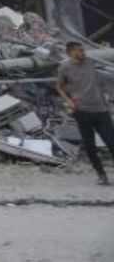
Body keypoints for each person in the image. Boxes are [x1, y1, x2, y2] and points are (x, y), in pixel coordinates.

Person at [57, 41, 114, 185]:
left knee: (111, 142)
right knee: (90, 146)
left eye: (83, 50)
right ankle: (101, 175)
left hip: (101, 110)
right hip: (82, 111)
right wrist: (68, 101)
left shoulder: (90, 63)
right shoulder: (65, 68)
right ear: (71, 53)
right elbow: (59, 87)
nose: (83, 53)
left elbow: (104, 76)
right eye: (79, 51)